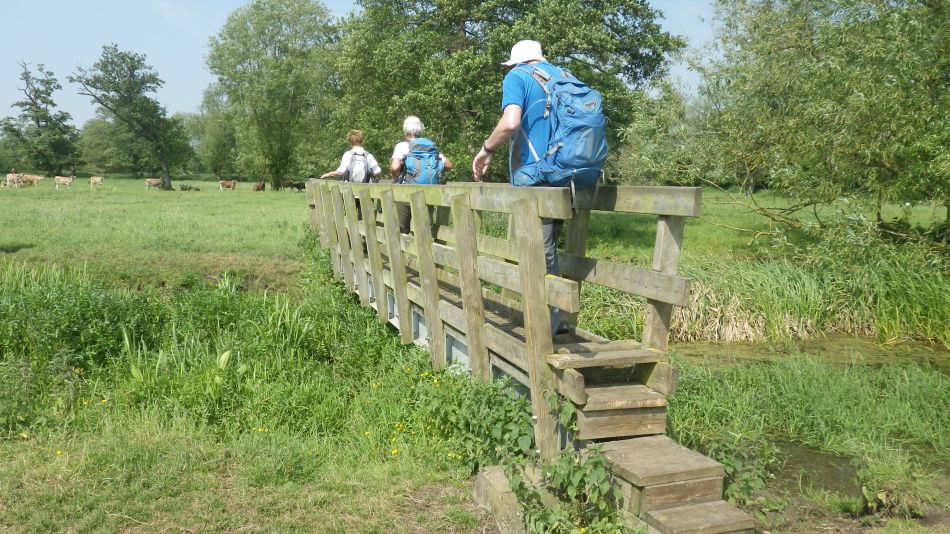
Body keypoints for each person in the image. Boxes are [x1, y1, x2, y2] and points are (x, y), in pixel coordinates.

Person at [471, 40, 579, 335]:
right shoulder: (563, 74)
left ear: (516, 61)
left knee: (537, 253)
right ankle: (557, 320)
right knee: (548, 250)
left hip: (535, 176)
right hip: (566, 176)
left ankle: (546, 329)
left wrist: (486, 149)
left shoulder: (517, 76)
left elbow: (510, 123)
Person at [391, 116, 454, 233]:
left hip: (406, 191)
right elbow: (449, 165)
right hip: (427, 192)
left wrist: (394, 179)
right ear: (420, 131)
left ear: (405, 131)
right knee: (425, 229)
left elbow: (395, 167)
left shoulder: (402, 146)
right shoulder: (429, 147)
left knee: (402, 229)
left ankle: (404, 243)